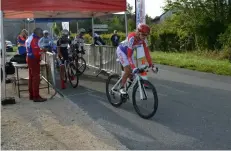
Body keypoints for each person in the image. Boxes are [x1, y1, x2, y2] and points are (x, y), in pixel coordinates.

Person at [116, 23, 155, 94]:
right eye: (143, 34)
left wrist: (150, 64)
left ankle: (127, 83)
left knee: (133, 75)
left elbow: (147, 53)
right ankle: (121, 87)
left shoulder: (144, 40)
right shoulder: (132, 37)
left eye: (146, 35)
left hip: (129, 53)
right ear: (138, 32)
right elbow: (128, 56)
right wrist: (133, 67)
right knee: (128, 70)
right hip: (122, 51)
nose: (144, 37)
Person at [26, 28, 47, 102]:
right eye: (41, 33)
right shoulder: (34, 39)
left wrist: (40, 50)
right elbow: (36, 52)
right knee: (36, 78)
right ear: (38, 33)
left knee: (31, 77)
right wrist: (43, 51)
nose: (41, 35)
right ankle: (36, 96)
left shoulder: (30, 38)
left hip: (29, 58)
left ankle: (31, 95)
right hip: (33, 59)